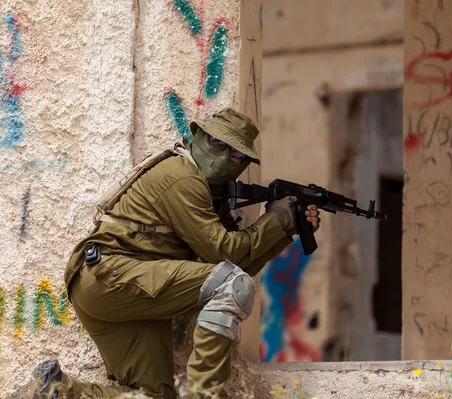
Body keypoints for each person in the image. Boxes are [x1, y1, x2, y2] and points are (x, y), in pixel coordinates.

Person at [19, 108, 320, 399]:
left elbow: (232, 264)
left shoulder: (206, 190)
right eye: (217, 143)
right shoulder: (182, 176)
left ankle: (52, 391)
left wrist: (284, 230)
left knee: (153, 395)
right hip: (109, 274)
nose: (224, 156)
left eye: (236, 153)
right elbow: (223, 255)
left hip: (116, 285)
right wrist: (277, 220)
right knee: (232, 284)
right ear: (198, 135)